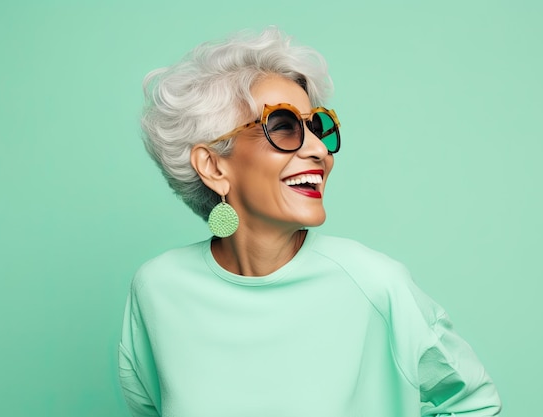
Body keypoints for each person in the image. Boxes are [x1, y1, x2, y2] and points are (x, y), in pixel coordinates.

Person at [118, 27, 502, 417]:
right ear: (213, 166)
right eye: (283, 126)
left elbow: (473, 403)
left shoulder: (374, 285)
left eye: (318, 127)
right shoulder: (157, 289)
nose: (319, 150)